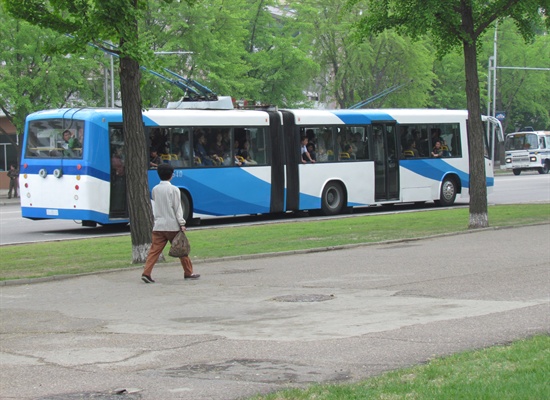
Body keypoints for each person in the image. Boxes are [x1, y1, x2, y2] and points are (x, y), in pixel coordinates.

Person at [142, 163, 200, 283]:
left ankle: (146, 273)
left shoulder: (155, 189)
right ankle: (188, 272)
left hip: (158, 225)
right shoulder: (174, 189)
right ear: (171, 175)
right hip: (172, 225)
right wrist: (182, 223)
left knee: (154, 251)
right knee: (181, 249)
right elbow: (177, 208)